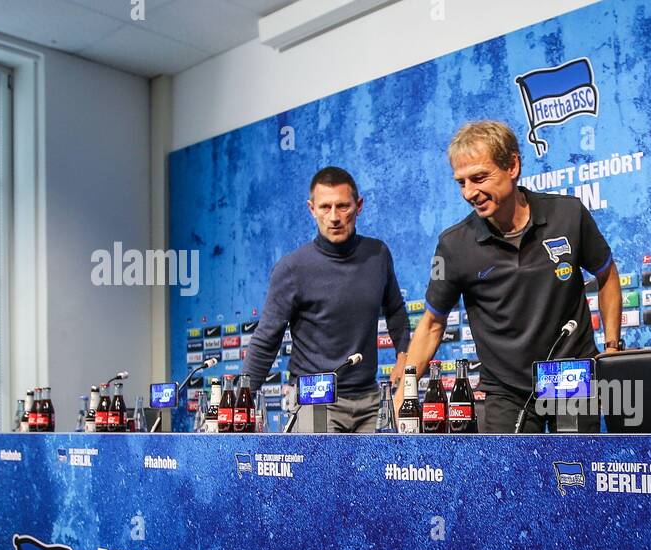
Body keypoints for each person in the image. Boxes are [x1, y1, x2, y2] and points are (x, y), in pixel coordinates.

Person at [399, 121, 623, 432]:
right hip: (505, 393)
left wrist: (612, 347)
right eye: (461, 182)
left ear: (512, 166)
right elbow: (432, 323)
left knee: (572, 477)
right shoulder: (454, 245)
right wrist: (403, 394)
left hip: (569, 377)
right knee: (506, 480)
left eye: (479, 178)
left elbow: (607, 275)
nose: (469, 192)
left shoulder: (568, 214)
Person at [242, 166, 409, 432]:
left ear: (359, 206)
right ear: (312, 209)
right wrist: (242, 399)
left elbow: (396, 312)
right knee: (319, 474)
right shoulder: (292, 268)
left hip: (371, 402)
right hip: (315, 402)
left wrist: (404, 358)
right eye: (325, 207)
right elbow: (266, 339)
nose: (334, 217)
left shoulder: (378, 254)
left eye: (343, 206)